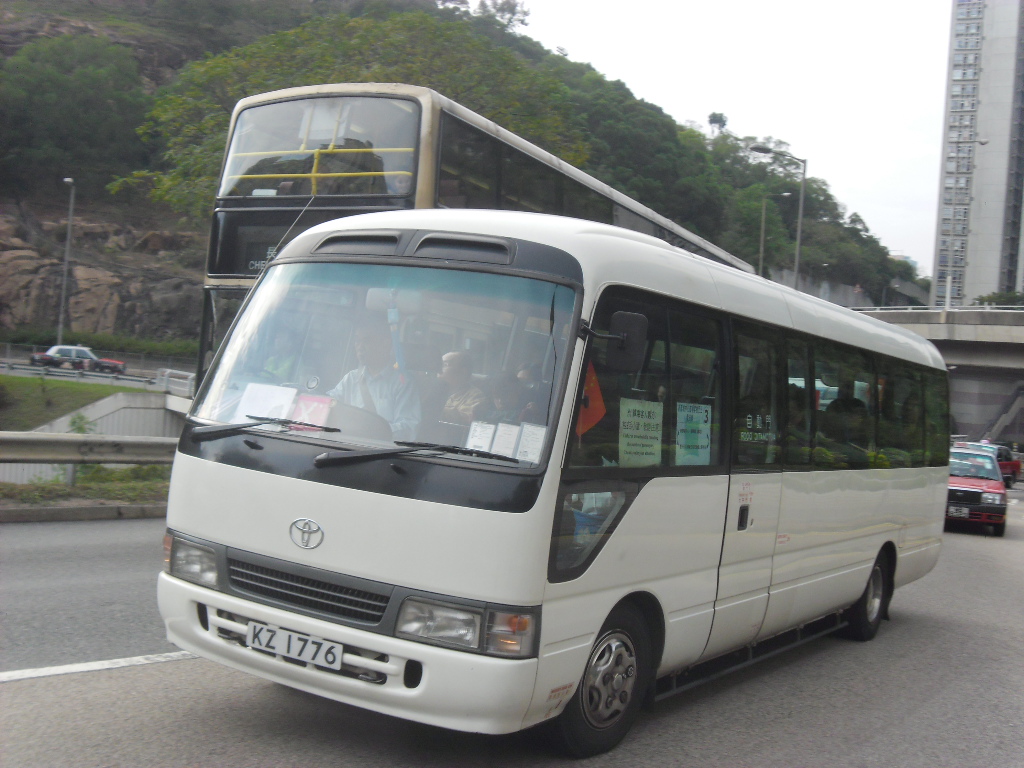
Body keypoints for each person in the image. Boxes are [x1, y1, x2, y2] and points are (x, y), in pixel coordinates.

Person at [326, 321, 420, 441]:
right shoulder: (351, 378)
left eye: (367, 341)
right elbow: (328, 404)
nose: (360, 347)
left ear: (385, 344)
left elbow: (408, 429)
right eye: (357, 341)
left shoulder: (402, 382)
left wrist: (370, 432)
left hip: (381, 449)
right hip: (344, 445)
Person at [439, 351, 487, 425]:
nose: (439, 368)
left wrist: (434, 408)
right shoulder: (433, 391)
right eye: (439, 364)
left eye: (445, 365)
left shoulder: (476, 396)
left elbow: (466, 419)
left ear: (463, 371)